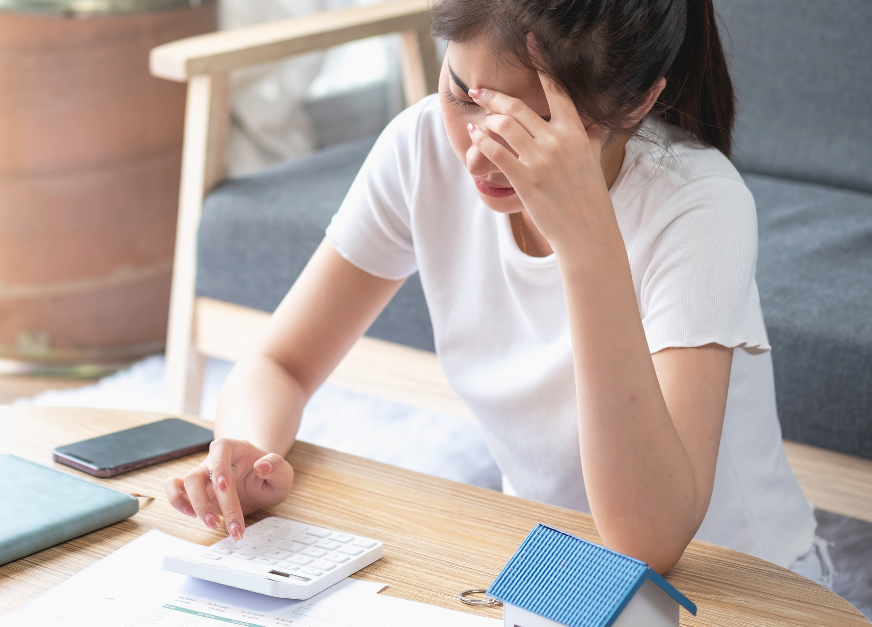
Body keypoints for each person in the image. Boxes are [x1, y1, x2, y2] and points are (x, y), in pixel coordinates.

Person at [164, 0, 832, 581]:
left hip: (729, 581)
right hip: (548, 563)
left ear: (638, 102)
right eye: (464, 96)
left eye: (534, 127)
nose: (482, 154)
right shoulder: (422, 148)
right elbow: (280, 362)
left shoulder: (697, 205)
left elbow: (649, 542)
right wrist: (247, 451)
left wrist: (588, 242)